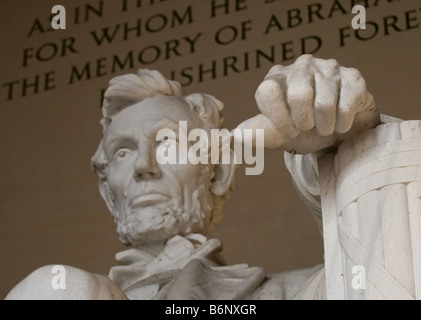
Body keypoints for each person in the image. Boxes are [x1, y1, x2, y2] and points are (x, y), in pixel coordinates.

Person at [5, 55, 388, 299]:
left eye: (169, 143)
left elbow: (386, 261)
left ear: (219, 172)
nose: (143, 166)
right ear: (108, 192)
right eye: (123, 151)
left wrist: (352, 137)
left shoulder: (295, 292)